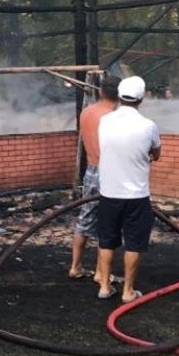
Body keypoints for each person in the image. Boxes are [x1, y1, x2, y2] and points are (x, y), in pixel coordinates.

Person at [95, 75, 161, 303]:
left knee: (106, 240)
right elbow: (157, 154)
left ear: (119, 96)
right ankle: (128, 292)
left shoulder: (105, 121)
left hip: (108, 193)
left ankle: (104, 287)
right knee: (133, 243)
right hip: (136, 196)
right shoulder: (148, 126)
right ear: (141, 99)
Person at [68, 74, 119, 279]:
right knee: (107, 224)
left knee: (85, 219)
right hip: (109, 173)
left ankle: (75, 267)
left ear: (101, 91)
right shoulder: (113, 118)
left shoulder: (86, 112)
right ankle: (100, 273)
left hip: (91, 171)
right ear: (120, 95)